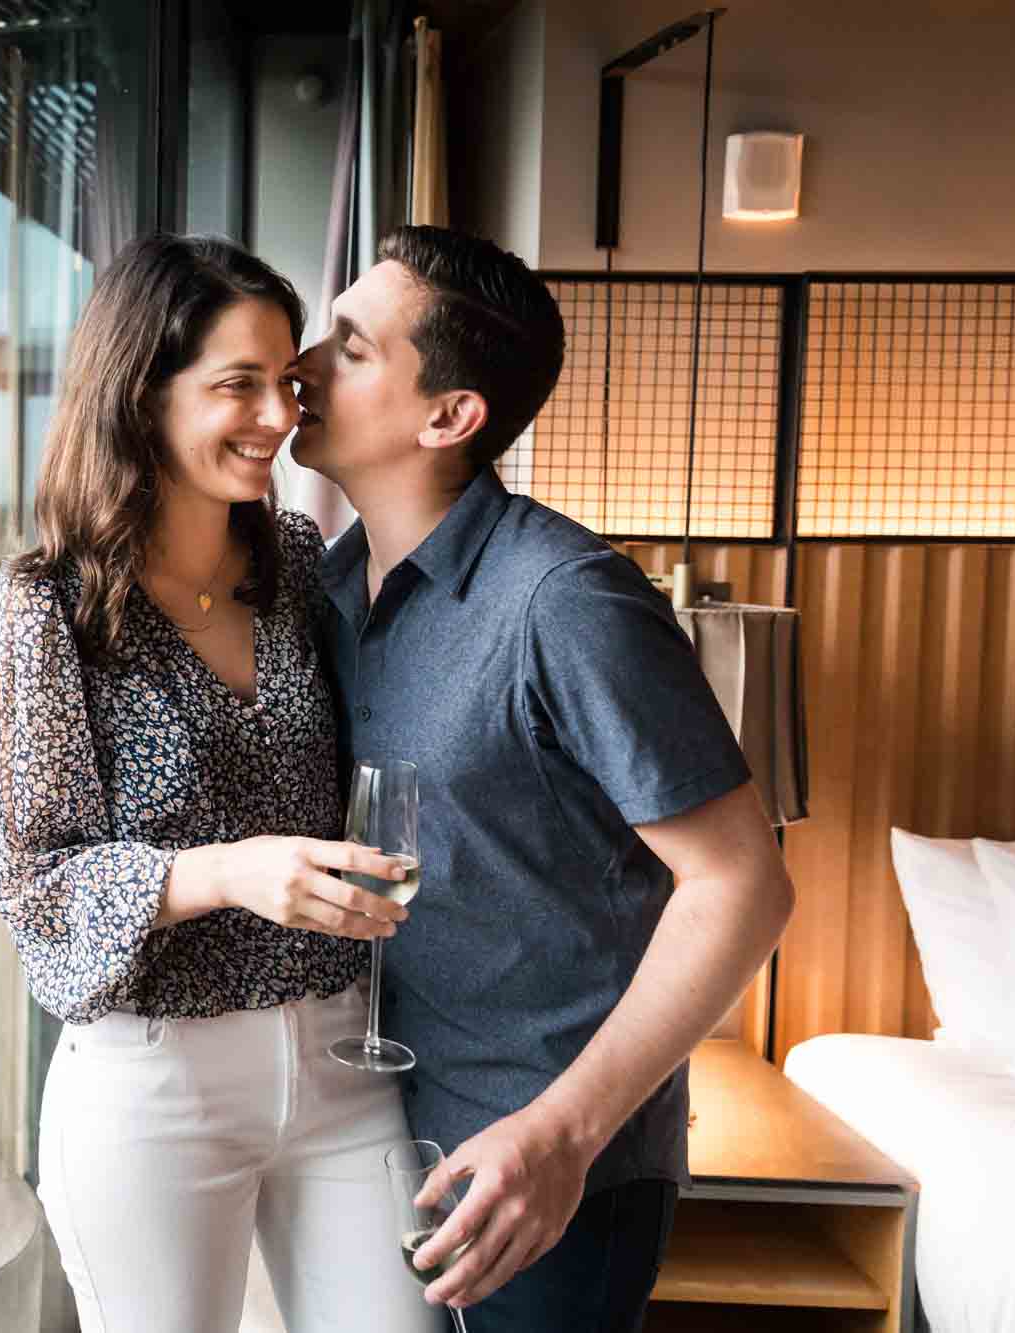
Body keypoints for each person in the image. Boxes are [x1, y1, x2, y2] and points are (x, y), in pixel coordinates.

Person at [289, 226, 797, 1332]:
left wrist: (561, 1136)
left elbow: (742, 886)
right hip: (367, 1134)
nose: (303, 365)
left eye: (350, 347)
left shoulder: (566, 600)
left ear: (448, 417)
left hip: (546, 1174)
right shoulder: (318, 594)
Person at [0, 233, 438, 1333]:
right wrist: (223, 873)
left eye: (287, 382)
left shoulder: (293, 561)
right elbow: (31, 882)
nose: (280, 415)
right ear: (138, 393)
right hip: (156, 1082)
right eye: (236, 384)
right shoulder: (48, 606)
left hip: (341, 1056)